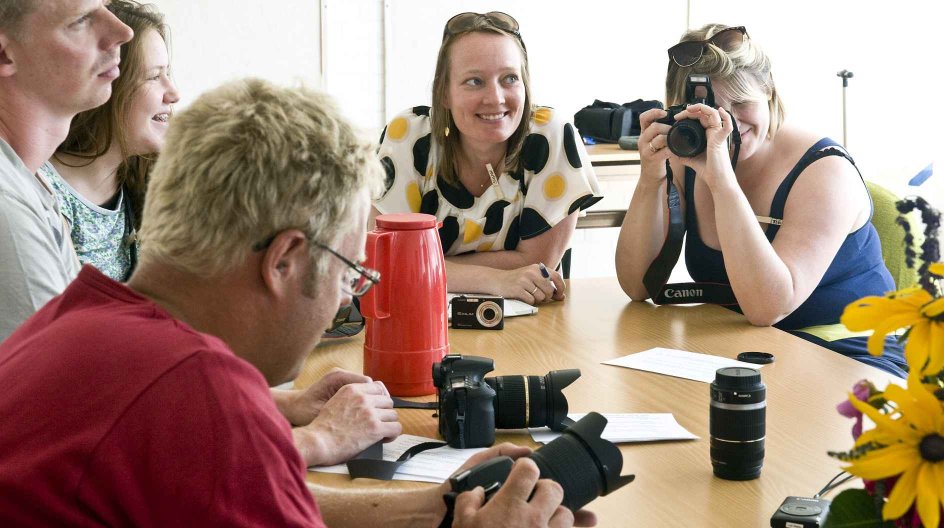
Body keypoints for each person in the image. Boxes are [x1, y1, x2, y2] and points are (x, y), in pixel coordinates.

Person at [0, 78, 593, 528]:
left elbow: (244, 487)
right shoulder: (201, 394)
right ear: (283, 260)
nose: (350, 297)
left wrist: (436, 505)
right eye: (349, 272)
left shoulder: (79, 315)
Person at [614, 24, 907, 376]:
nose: (728, 124)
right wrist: (651, 177)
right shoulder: (690, 153)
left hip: (850, 357)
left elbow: (768, 308)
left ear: (769, 92)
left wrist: (720, 181)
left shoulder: (824, 170)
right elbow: (636, 285)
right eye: (710, 110)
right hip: (747, 349)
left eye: (741, 103)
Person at [374, 11, 602, 305]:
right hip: (420, 317)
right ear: (444, 93)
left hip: (532, 328)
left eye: (509, 78)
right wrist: (497, 279)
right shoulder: (408, 134)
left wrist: (426, 268)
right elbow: (387, 263)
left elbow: (539, 263)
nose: (495, 98)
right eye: (474, 81)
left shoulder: (551, 135)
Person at [0, 0, 133, 341]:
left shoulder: (29, 178)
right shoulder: (5, 205)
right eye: (83, 18)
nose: (122, 32)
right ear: (4, 55)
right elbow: (58, 385)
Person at [42, 0, 180, 281]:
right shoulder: (43, 194)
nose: (173, 93)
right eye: (154, 76)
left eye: (168, 73)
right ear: (107, 84)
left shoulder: (149, 187)